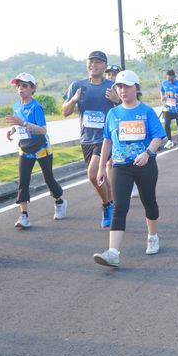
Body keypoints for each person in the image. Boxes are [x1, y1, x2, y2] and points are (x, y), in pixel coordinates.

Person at [93, 70, 166, 267]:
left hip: (145, 165)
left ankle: (152, 236)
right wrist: (101, 167)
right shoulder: (113, 114)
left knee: (149, 201)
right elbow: (107, 141)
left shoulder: (147, 111)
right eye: (119, 87)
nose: (123, 90)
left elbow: (158, 137)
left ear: (137, 88)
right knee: (120, 207)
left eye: (127, 86)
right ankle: (113, 253)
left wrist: (147, 153)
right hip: (120, 167)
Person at [62, 51, 120, 228]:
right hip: (86, 138)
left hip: (105, 138)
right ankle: (112, 203)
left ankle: (106, 206)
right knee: (99, 177)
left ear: (104, 66)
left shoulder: (112, 86)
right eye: (91, 61)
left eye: (98, 62)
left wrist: (117, 100)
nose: (94, 65)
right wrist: (73, 99)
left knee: (93, 174)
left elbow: (125, 109)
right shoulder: (77, 85)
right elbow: (65, 112)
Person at [5, 73, 66, 229]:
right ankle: (24, 216)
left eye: (25, 85)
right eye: (18, 85)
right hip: (25, 148)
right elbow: (18, 123)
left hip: (41, 147)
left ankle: (59, 201)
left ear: (33, 88)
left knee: (48, 179)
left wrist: (23, 124)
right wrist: (12, 130)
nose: (21, 88)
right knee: (23, 180)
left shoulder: (36, 107)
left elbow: (42, 130)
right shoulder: (16, 105)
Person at [160, 69, 178, 149]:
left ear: (175, 77)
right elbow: (162, 90)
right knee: (166, 123)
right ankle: (170, 140)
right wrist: (162, 96)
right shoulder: (164, 83)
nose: (170, 81)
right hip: (168, 107)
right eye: (168, 79)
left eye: (172, 79)